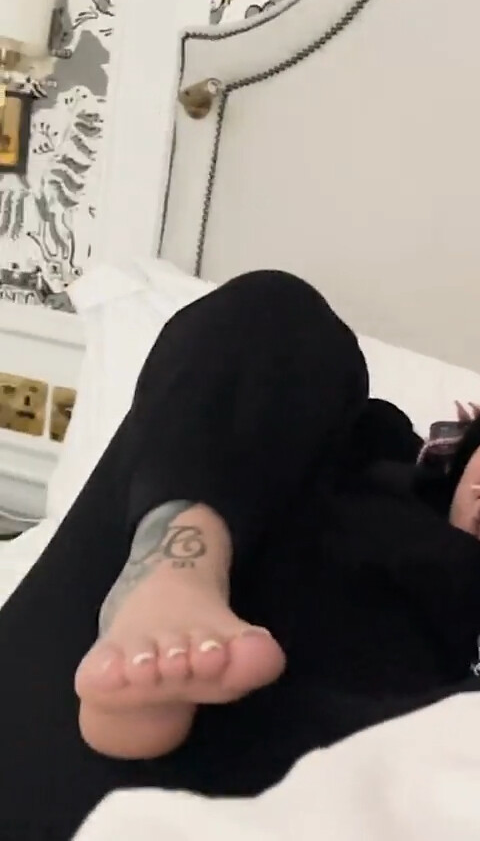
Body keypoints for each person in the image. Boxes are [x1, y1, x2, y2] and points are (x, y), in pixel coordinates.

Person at [2, 269, 480, 840]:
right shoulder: (364, 444)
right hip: (64, 714)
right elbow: (249, 340)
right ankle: (174, 568)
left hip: (303, 779)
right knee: (278, 309)